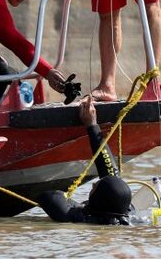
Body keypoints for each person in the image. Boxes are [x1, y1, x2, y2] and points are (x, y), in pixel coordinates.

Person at [36, 96, 132, 225]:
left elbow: (49, 196)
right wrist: (92, 126)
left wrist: (83, 208)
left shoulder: (77, 218)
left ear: (99, 200)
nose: (92, 185)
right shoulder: (126, 212)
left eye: (96, 187)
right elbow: (111, 177)